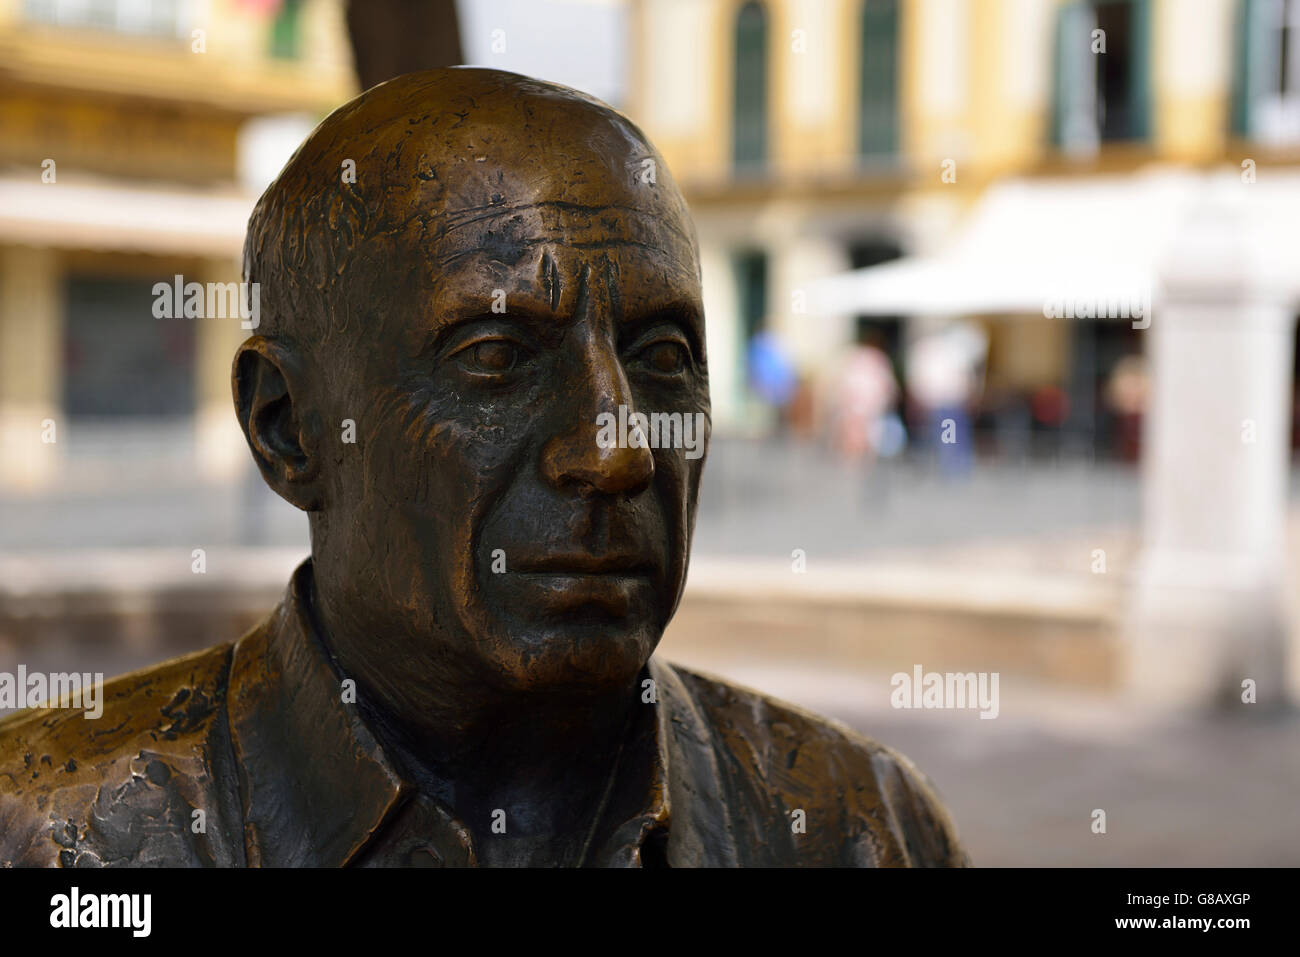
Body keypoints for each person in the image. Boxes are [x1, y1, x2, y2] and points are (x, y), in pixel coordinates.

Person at [0, 68, 966, 867]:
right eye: (497, 357)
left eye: (661, 356)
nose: (618, 447)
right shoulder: (49, 838)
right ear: (289, 429)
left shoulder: (861, 830)